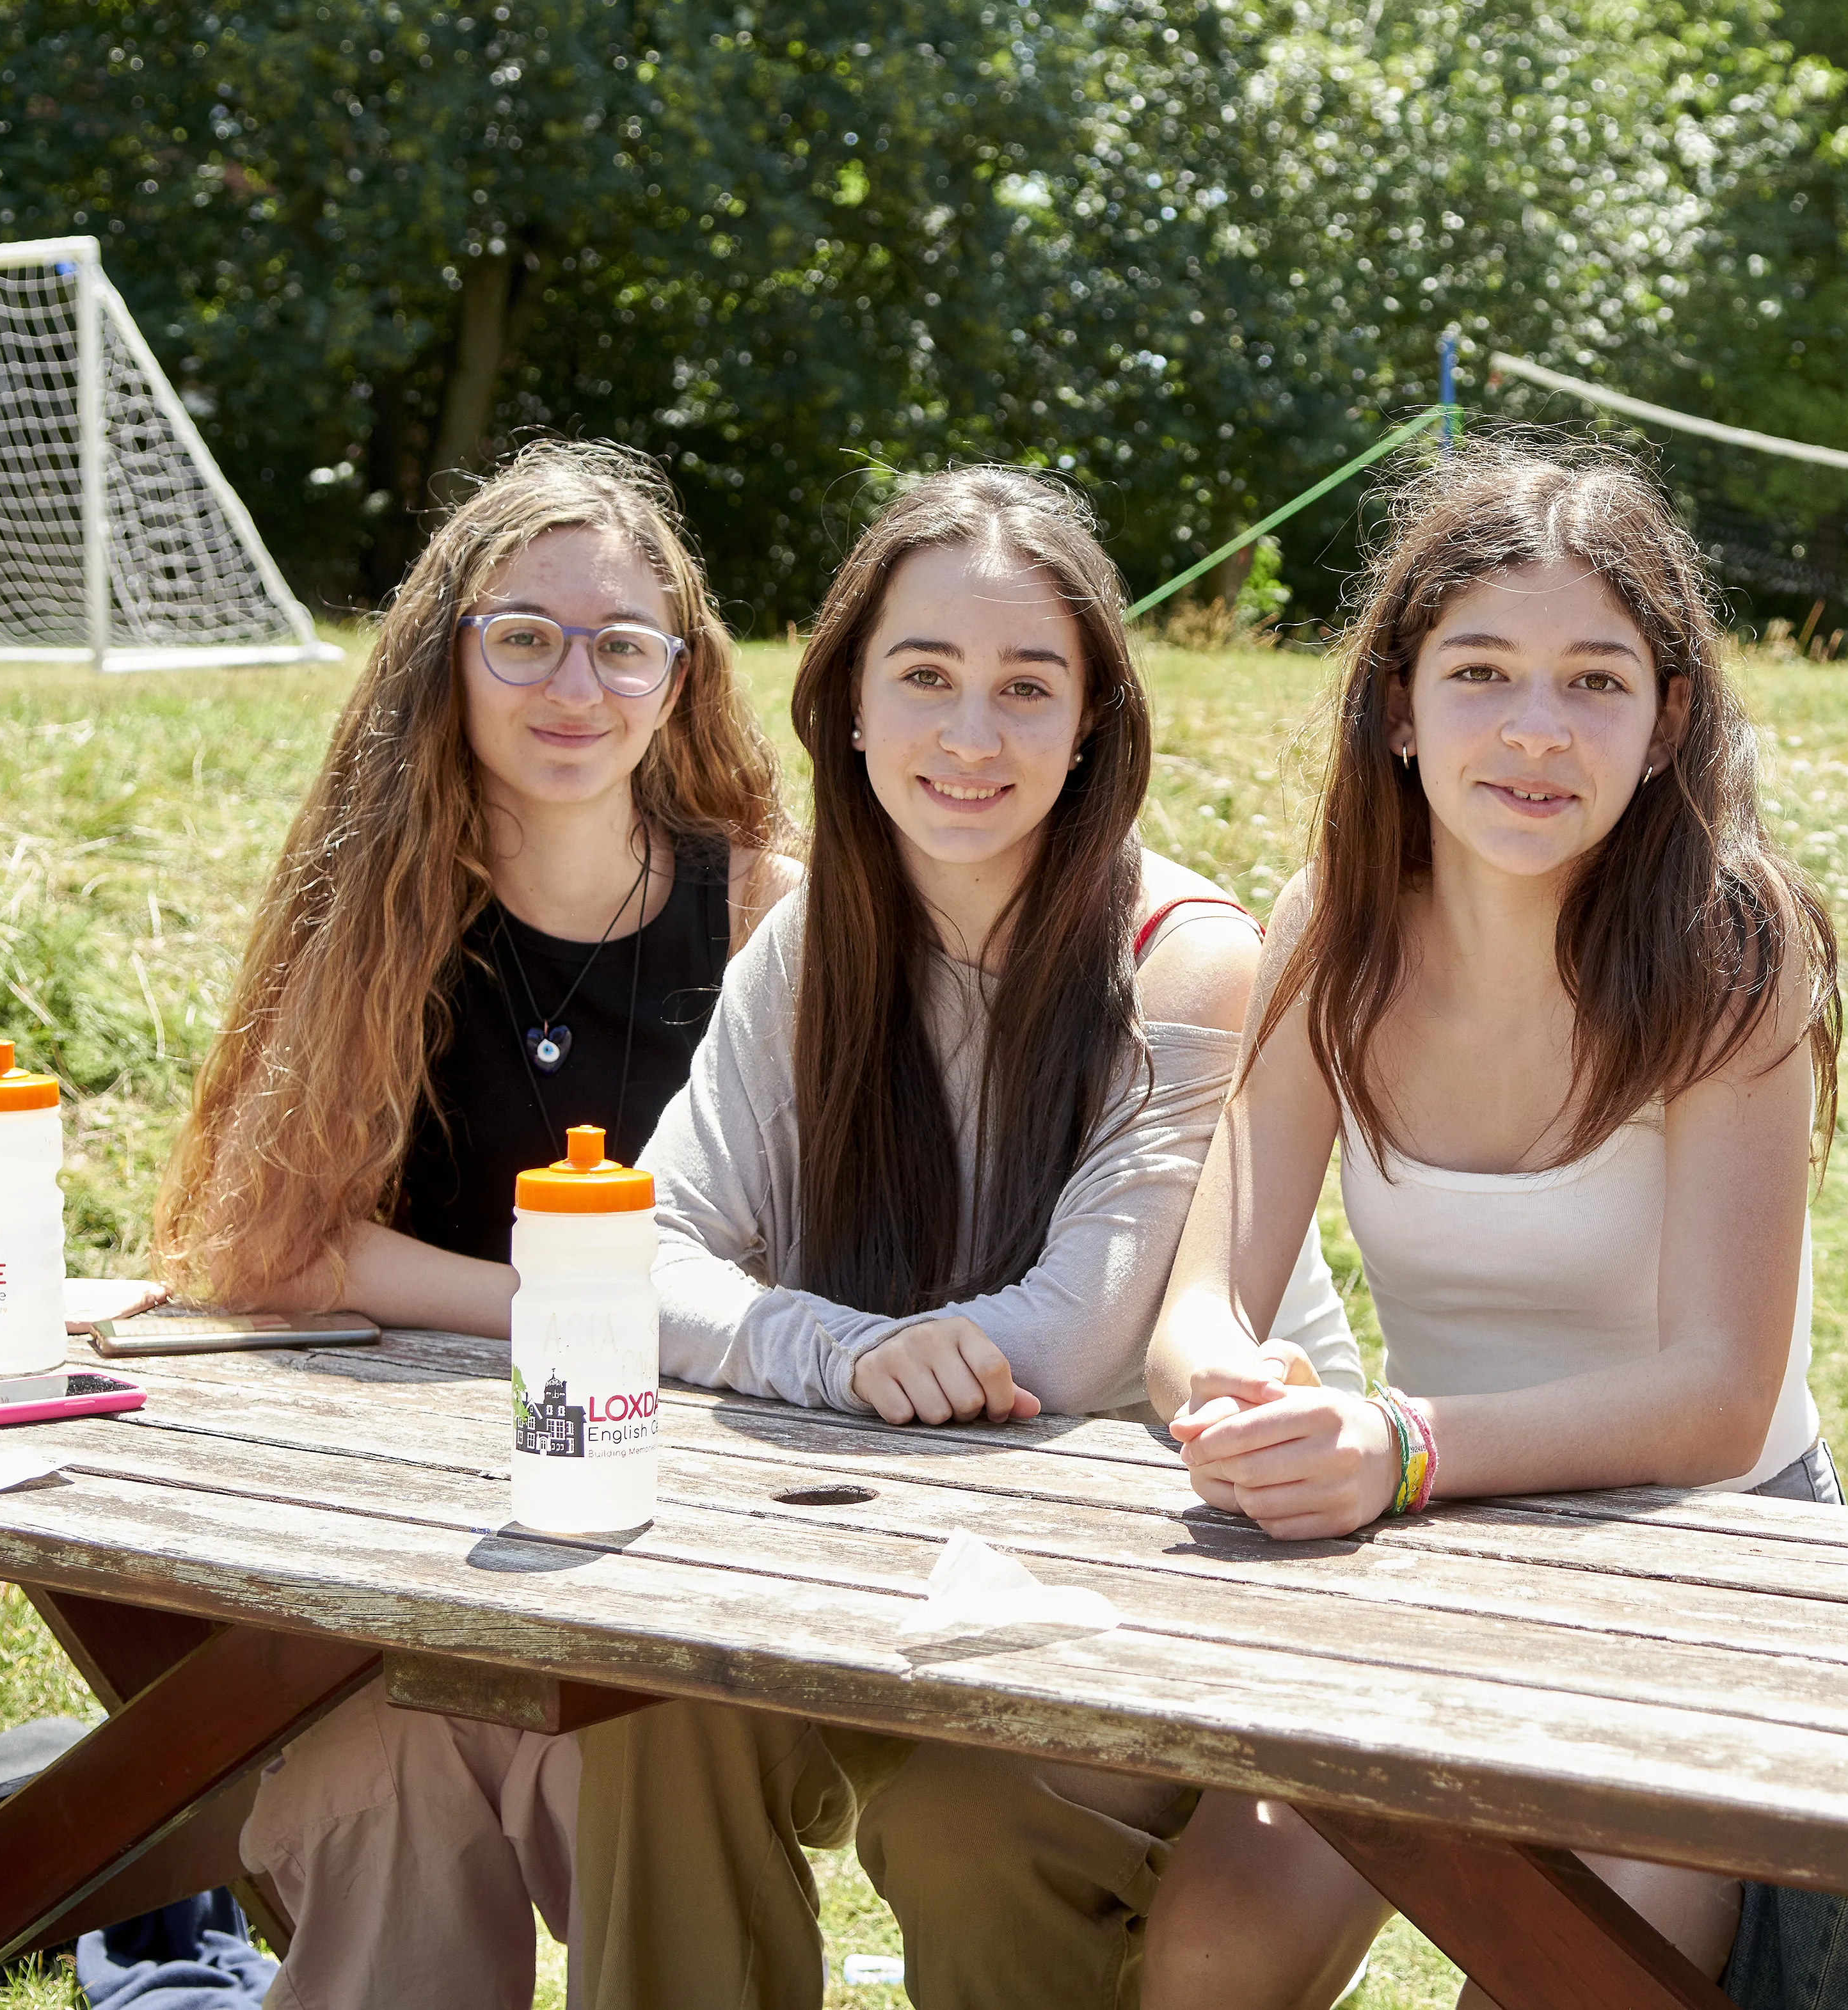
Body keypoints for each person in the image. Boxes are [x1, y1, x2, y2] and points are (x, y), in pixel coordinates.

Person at [570, 467, 1355, 2010]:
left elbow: (1069, 1350)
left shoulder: (1186, 959)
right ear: (849, 704)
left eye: (1025, 687)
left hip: (1172, 1582)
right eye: (924, 677)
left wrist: (820, 1351)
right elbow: (630, 1256)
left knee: (965, 1818)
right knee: (649, 1708)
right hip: (897, 1562)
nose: (971, 735)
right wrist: (847, 1349)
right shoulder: (807, 948)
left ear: (1092, 727)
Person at [1134, 442, 1842, 2010]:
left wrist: (1395, 1445)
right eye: (1483, 674)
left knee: (1565, 1979)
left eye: (1597, 681)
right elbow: (1201, 1300)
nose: (1536, 729)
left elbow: (1720, 1396)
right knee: (1207, 1951)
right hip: (1429, 1546)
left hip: (1711, 1557)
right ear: (1399, 707)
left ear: (1668, 725)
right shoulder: (1331, 918)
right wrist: (1231, 1399)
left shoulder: (1733, 948)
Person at [150, 440, 798, 2010]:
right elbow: (271, 1244)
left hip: (687, 1540)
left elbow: (814, 1253)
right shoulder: (381, 903)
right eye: (524, 636)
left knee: (623, 1761)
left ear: (677, 674)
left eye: (620, 643)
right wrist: (566, 1307)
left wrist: (642, 1330)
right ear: (449, 655)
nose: (573, 683)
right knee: (379, 1779)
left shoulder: (773, 908)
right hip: (400, 1528)